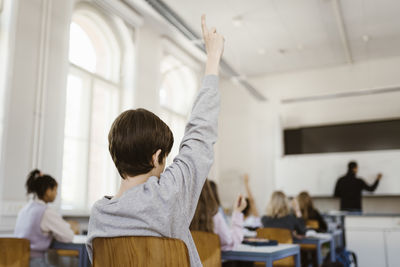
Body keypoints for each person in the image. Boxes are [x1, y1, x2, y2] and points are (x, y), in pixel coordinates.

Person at [86, 15, 224, 267]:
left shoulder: (99, 216)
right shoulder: (169, 195)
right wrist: (212, 59)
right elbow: (200, 133)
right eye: (165, 158)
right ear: (155, 157)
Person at [14, 169, 74, 267]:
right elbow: (69, 236)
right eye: (55, 190)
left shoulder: (25, 209)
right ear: (48, 191)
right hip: (34, 262)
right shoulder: (46, 212)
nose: (56, 194)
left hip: (17, 261)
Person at [190, 179, 247, 251]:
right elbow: (230, 243)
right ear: (208, 191)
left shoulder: (177, 219)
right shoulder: (214, 216)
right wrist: (237, 212)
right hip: (211, 261)